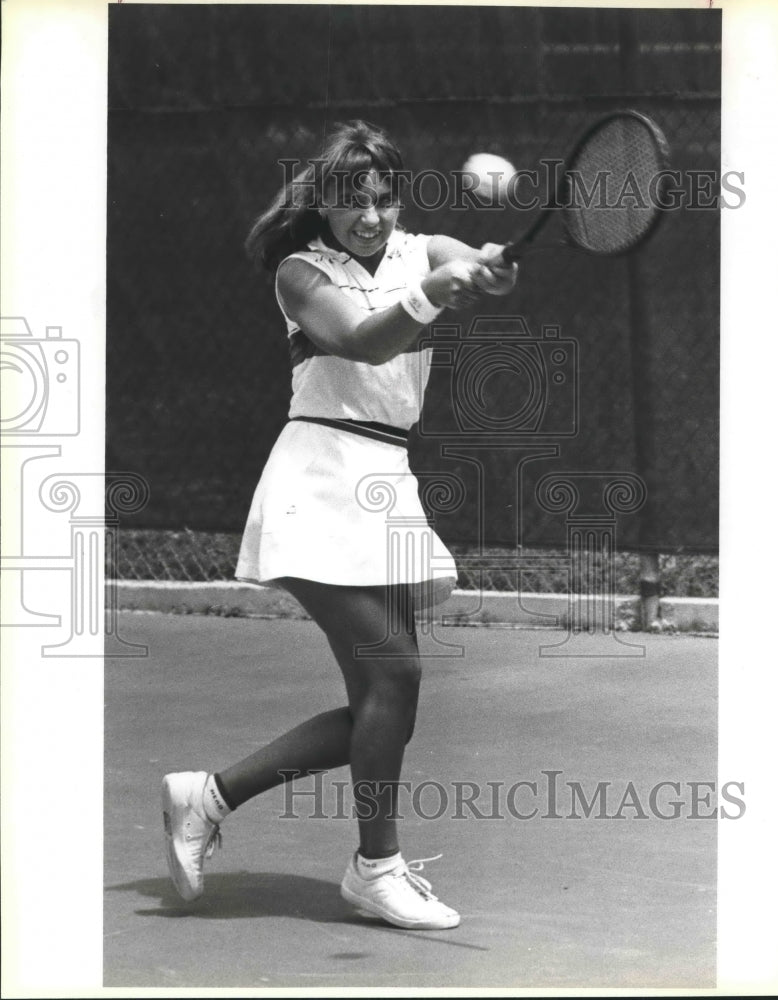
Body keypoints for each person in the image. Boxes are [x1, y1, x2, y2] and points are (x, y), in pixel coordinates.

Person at [162, 120, 518, 930]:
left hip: (385, 480)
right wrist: (435, 294)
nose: (371, 217)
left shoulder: (419, 248)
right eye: (354, 202)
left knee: (383, 703)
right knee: (396, 677)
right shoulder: (299, 272)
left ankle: (209, 796)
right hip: (318, 481)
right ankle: (375, 869)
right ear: (323, 202)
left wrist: (489, 271)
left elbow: (483, 273)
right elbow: (363, 342)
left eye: (384, 200)